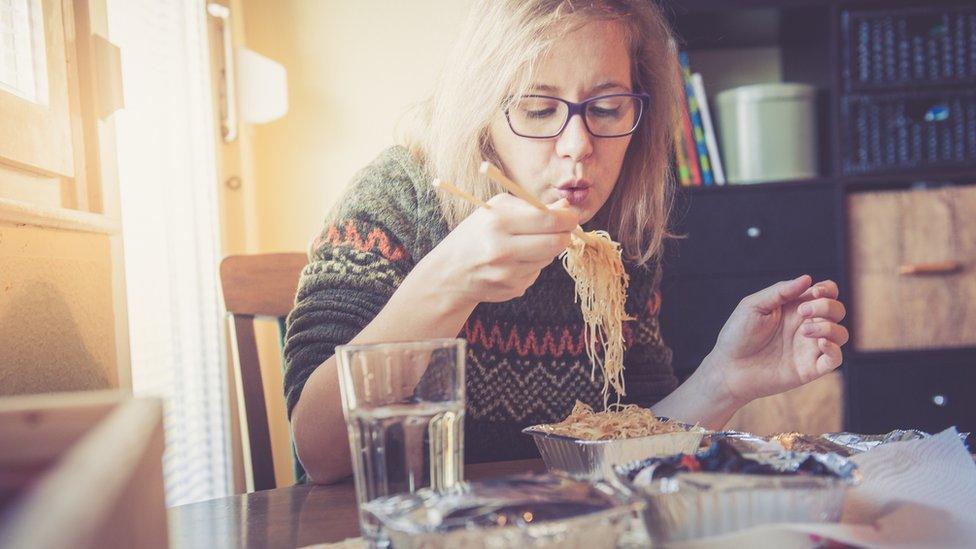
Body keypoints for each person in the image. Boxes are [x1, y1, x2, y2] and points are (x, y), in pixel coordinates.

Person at [283, 0, 849, 484]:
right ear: (483, 114)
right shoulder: (396, 203)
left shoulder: (615, 230)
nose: (578, 144)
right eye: (538, 109)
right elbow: (322, 454)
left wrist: (726, 378)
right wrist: (447, 282)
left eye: (606, 109)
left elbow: (630, 442)